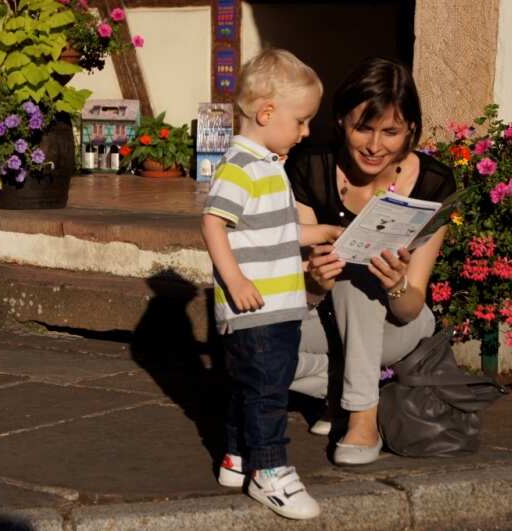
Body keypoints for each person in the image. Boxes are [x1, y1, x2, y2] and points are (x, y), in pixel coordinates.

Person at [285, 56, 456, 465]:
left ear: (410, 130)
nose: (376, 146)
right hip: (324, 320)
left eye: (391, 132)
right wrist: (315, 282)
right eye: (363, 128)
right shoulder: (311, 167)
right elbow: (301, 294)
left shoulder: (433, 182)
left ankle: (362, 415)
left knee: (358, 274)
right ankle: (344, 393)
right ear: (342, 120)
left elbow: (411, 304)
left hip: (398, 324)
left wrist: (395, 281)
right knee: (251, 350)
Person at [200, 49, 341, 520]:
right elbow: (214, 224)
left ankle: (238, 459)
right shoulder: (241, 166)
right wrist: (234, 279)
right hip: (256, 307)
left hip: (278, 304)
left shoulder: (268, 164)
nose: (306, 132)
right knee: (268, 393)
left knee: (254, 385)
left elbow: (273, 231)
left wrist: (315, 234)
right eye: (301, 121)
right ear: (266, 113)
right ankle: (271, 471)